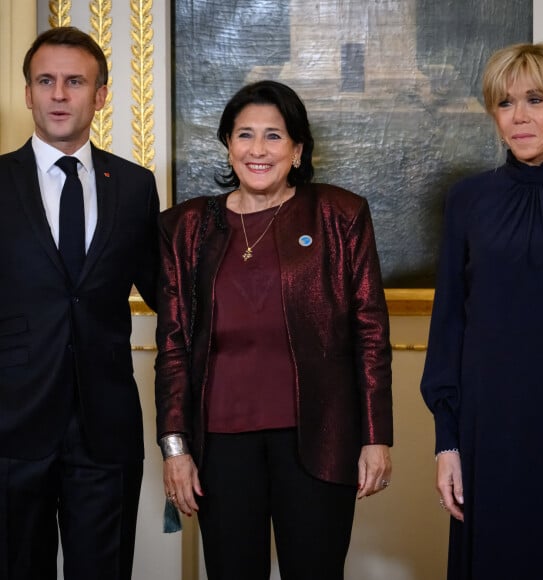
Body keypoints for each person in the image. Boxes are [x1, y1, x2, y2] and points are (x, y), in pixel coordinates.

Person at [155, 80, 393, 579]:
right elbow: (173, 345)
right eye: (244, 135)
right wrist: (174, 447)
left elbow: (370, 332)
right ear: (227, 144)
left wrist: (376, 437)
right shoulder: (188, 227)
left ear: (298, 149)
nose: (257, 150)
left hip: (318, 438)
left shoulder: (340, 215)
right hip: (220, 445)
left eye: (274, 136)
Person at [0, 27, 159, 579]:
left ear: (101, 94)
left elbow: (170, 294)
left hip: (107, 427)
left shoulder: (135, 186)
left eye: (74, 81)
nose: (59, 94)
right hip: (11, 427)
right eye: (46, 81)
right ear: (28, 93)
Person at [421, 42, 543, 579]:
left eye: (535, 100)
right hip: (490, 429)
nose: (520, 117)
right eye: (505, 103)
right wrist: (447, 443)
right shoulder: (468, 200)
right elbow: (449, 325)